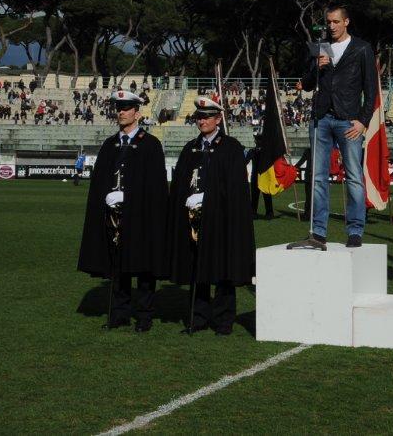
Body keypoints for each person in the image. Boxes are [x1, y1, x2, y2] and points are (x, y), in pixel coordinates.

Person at [77, 90, 168, 332]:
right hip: (114, 217)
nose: (121, 112)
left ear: (137, 113)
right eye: (119, 108)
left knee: (143, 267)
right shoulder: (110, 145)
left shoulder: (150, 145)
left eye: (126, 108)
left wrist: (130, 196)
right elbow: (100, 181)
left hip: (142, 217)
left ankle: (145, 317)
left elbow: (156, 186)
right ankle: (119, 314)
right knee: (118, 268)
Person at [167, 97, 255, 335]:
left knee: (222, 268)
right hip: (193, 219)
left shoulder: (230, 147)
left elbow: (236, 188)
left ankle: (223, 320)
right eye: (199, 116)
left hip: (221, 220)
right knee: (197, 268)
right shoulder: (190, 148)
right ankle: (197, 317)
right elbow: (180, 184)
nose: (202, 120)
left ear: (218, 119)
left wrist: (210, 198)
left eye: (207, 116)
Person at [298, 5, 377, 247]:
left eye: (335, 21)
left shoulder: (362, 48)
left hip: (348, 120)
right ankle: (319, 230)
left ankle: (355, 230)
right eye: (328, 22)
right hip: (320, 118)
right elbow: (308, 84)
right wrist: (317, 67)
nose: (331, 26)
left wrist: (363, 121)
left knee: (353, 177)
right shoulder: (321, 47)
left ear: (346, 22)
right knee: (318, 178)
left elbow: (371, 89)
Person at [247, 134, 274, 220]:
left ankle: (268, 213)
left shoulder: (264, 152)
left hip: (263, 176)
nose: (257, 142)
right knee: (256, 196)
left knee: (266, 195)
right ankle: (255, 213)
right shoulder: (253, 151)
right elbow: (245, 161)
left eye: (258, 140)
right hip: (257, 176)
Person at [294, 148, 312, 216]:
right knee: (309, 197)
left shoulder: (310, 150)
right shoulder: (309, 150)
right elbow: (301, 161)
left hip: (313, 176)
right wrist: (294, 168)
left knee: (309, 197)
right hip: (311, 177)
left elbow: (301, 161)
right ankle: (308, 214)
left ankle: (308, 214)